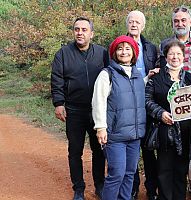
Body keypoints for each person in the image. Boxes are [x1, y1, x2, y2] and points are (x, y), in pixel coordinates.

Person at [51, 16, 107, 200]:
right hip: (74, 110)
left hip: (97, 110)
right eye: (77, 29)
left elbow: (111, 78)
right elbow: (57, 79)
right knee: (75, 151)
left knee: (99, 150)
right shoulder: (63, 54)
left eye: (84, 30)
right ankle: (79, 189)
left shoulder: (102, 53)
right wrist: (59, 103)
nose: (80, 33)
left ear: (92, 33)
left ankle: (100, 186)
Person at [159, 5, 191, 199]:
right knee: (175, 144)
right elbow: (160, 67)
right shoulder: (165, 44)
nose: (180, 23)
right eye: (176, 21)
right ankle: (169, 187)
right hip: (171, 100)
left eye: (183, 20)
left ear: (190, 22)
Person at [92, 35, 146, 200]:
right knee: (116, 174)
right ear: (114, 53)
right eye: (120, 49)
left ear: (134, 53)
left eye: (128, 48)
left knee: (129, 173)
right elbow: (98, 101)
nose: (124, 52)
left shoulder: (137, 76)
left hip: (135, 135)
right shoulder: (106, 74)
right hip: (115, 135)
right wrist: (100, 127)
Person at [145, 40, 191, 200]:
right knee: (164, 171)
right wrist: (160, 113)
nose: (175, 57)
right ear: (166, 57)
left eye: (178, 54)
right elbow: (147, 100)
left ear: (184, 57)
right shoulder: (156, 78)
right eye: (171, 54)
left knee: (181, 171)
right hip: (164, 132)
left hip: (186, 132)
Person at [125, 10, 160, 200]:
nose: (134, 24)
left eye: (138, 22)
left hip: (145, 104)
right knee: (131, 149)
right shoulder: (119, 46)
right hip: (126, 104)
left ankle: (151, 188)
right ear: (127, 25)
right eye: (131, 21)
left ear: (143, 26)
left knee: (148, 149)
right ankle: (132, 188)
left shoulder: (150, 47)